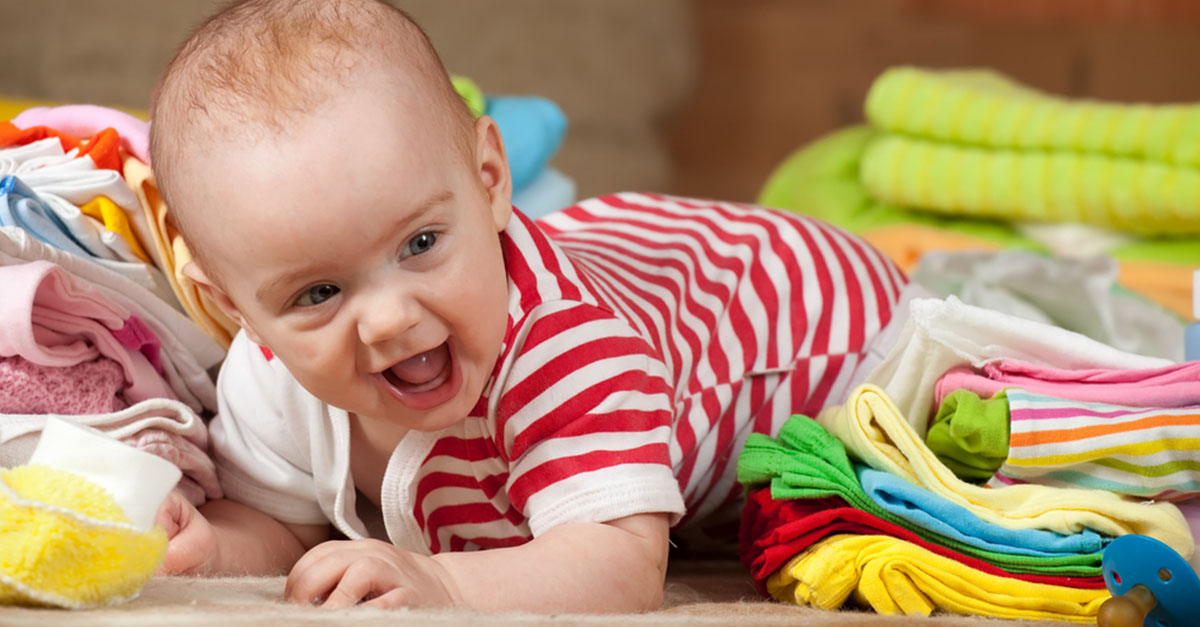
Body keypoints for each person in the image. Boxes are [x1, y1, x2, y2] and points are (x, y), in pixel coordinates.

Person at [149, 0, 905, 612]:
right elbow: (283, 524)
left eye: (419, 244)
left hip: (806, 315)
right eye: (319, 292)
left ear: (490, 179)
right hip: (627, 256)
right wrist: (207, 547)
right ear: (239, 310)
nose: (387, 319)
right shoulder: (270, 377)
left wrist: (443, 583)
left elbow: (618, 560)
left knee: (937, 387)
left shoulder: (567, 354)